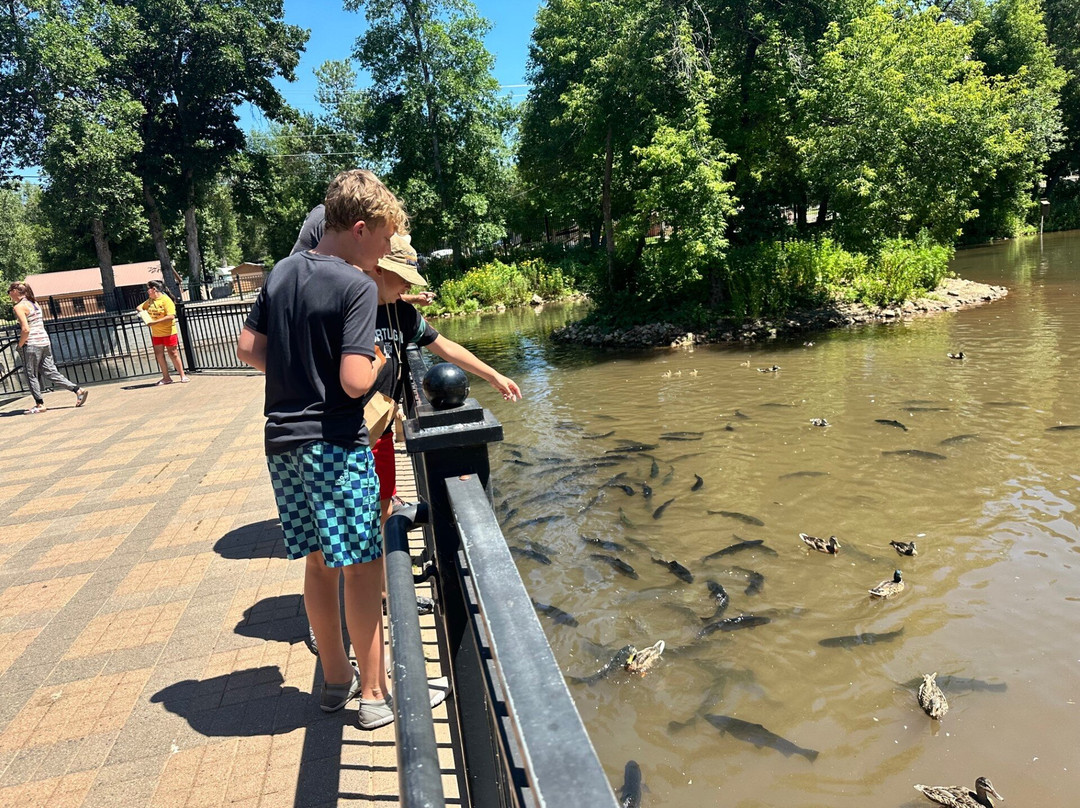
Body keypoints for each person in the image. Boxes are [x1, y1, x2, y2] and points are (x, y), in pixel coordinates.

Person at [236, 169, 434, 731]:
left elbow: (249, 348)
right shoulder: (354, 286)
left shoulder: (281, 272)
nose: (384, 256)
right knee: (363, 568)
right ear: (361, 228)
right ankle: (374, 694)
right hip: (335, 444)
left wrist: (303, 370)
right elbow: (352, 381)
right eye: (384, 242)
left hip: (283, 444)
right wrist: (377, 362)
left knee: (319, 567)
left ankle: (333, 681)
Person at [366, 233, 522, 525]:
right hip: (347, 432)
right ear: (379, 269)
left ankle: (387, 566)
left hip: (382, 427)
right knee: (356, 516)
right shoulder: (349, 310)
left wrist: (493, 375)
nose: (409, 286)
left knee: (384, 504)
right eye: (404, 277)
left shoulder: (402, 313)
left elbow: (446, 347)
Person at [292, 203, 436, 307]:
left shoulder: (349, 246)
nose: (386, 249)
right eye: (386, 239)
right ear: (360, 230)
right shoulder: (325, 226)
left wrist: (415, 299)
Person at [8, 282, 89, 414]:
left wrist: (20, 344)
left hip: (32, 343)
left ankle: (39, 404)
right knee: (51, 371)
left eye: (9, 291)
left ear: (15, 291)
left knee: (30, 374)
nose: (9, 295)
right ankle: (77, 390)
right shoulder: (35, 304)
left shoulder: (19, 307)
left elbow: (25, 329)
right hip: (44, 341)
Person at [138, 280, 189, 385]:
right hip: (156, 333)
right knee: (159, 355)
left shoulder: (166, 300)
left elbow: (171, 316)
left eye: (148, 289)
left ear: (154, 289)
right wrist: (145, 316)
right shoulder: (150, 300)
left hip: (169, 332)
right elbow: (139, 307)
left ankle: (182, 375)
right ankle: (166, 377)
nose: (147, 291)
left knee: (173, 353)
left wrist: (155, 322)